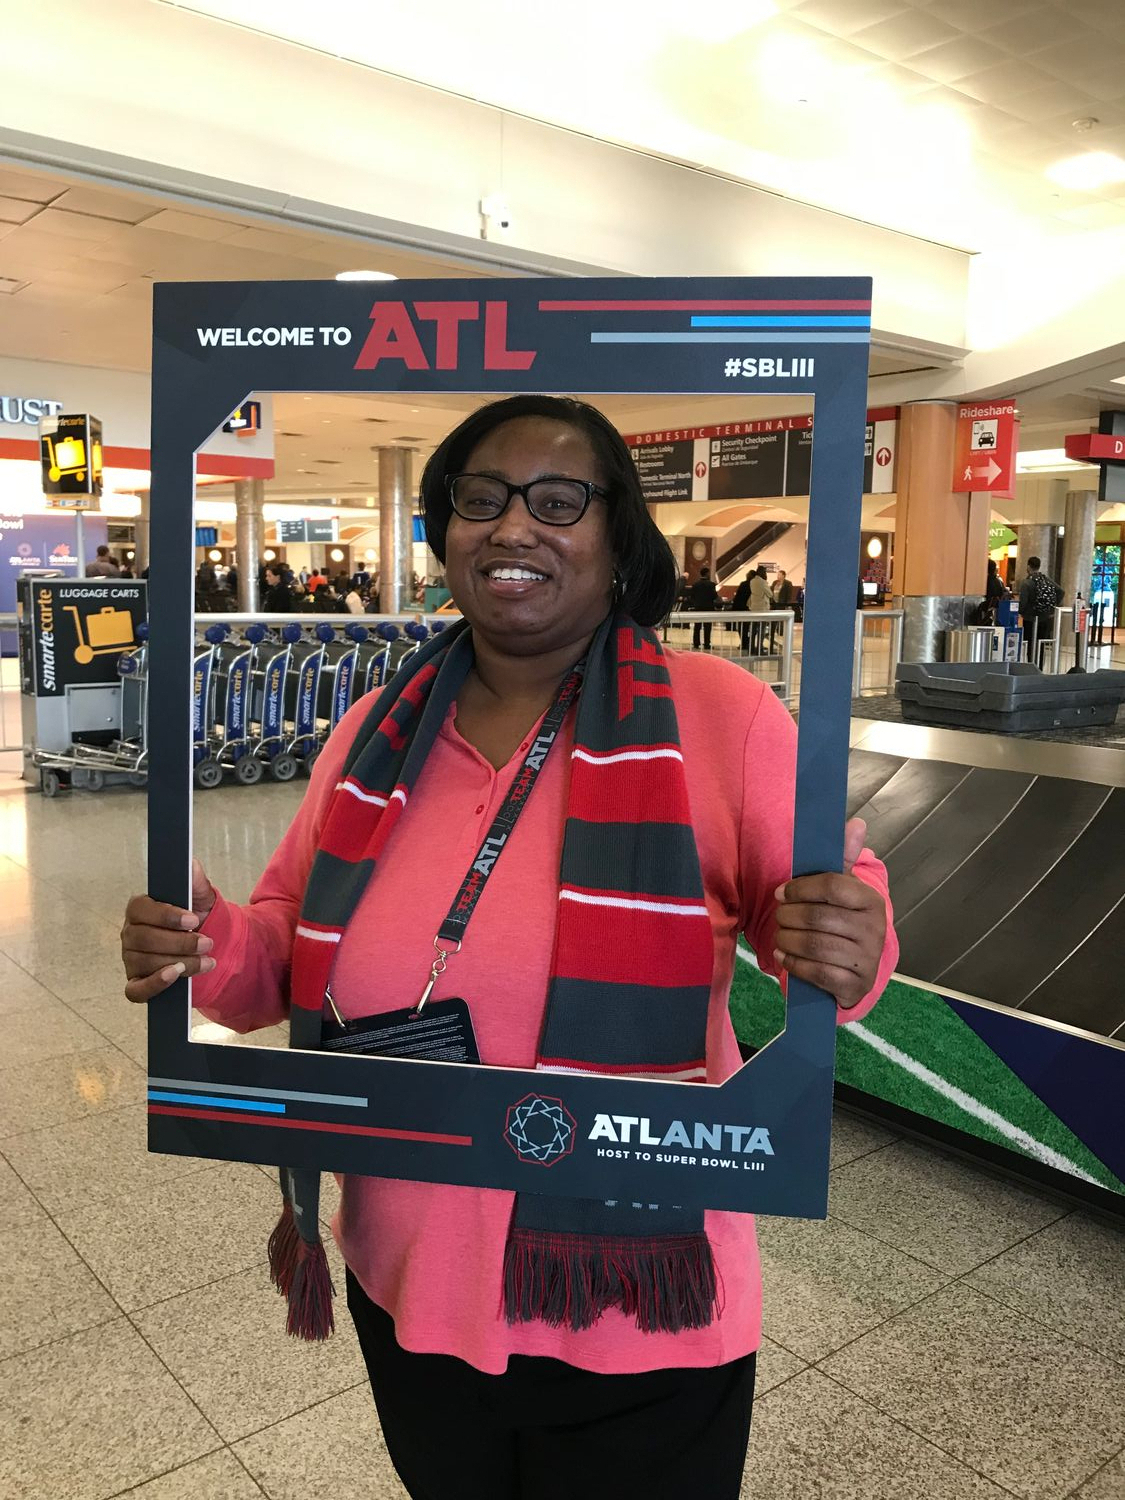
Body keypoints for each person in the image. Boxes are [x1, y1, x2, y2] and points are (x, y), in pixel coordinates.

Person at [120, 394, 896, 1500]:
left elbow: (820, 920)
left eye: (558, 500)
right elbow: (285, 951)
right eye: (480, 498)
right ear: (444, 530)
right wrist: (204, 943)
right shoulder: (375, 730)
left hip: (634, 1305)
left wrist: (851, 937)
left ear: (619, 536)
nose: (513, 525)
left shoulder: (719, 717)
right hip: (411, 1277)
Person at [1018, 555, 1062, 657]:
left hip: (1030, 618)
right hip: (1044, 617)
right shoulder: (1046, 580)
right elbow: (1060, 591)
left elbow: (1023, 602)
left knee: (1030, 645)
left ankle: (1031, 664)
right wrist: (1052, 607)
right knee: (1040, 645)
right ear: (1039, 566)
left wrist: (1020, 612)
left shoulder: (1026, 583)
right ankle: (1040, 664)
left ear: (1028, 567)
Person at [687, 565, 719, 649]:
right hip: (708, 608)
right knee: (707, 627)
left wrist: (696, 603)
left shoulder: (695, 584)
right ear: (707, 573)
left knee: (697, 626)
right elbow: (714, 596)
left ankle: (696, 643)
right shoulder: (711, 584)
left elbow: (692, 596)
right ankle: (707, 643)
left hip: (698, 608)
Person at [748, 565, 772, 654]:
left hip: (754, 608)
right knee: (761, 630)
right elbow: (770, 594)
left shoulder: (752, 581)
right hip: (762, 609)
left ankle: (751, 648)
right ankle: (759, 648)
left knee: (753, 629)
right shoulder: (763, 582)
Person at [730, 575, 752, 653]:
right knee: (746, 627)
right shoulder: (752, 585)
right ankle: (747, 643)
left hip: (739, 608)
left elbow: (738, 596)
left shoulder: (743, 584)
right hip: (747, 608)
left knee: (741, 627)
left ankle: (744, 643)